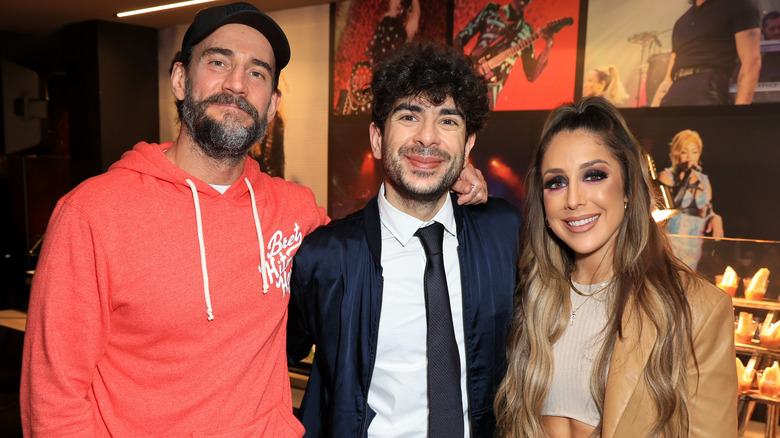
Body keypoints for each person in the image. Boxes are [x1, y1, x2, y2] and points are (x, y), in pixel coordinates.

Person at [19, 3, 488, 436]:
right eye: (218, 62)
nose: (238, 85)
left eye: (257, 73)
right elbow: (54, 403)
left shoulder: (296, 210)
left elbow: (373, 239)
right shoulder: (91, 214)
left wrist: (442, 172)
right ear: (181, 80)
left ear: (273, 102)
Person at [287, 41, 522, 437]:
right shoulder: (324, 257)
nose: (428, 137)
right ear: (378, 139)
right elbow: (269, 364)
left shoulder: (504, 231)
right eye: (410, 116)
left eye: (448, 121)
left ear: (467, 147)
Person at [494, 97, 736, 437]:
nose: (573, 199)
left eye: (593, 175)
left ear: (627, 188)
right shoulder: (528, 297)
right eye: (556, 182)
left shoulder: (697, 308)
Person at [651, 0, 761, 106]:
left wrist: (738, 115)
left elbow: (751, 61)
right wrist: (654, 111)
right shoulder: (681, 22)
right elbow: (669, 77)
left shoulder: (739, 4)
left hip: (707, 86)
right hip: (676, 88)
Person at [453, 0, 555, 109]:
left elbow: (531, 74)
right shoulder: (491, 10)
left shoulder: (526, 30)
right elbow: (459, 39)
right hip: (469, 78)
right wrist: (465, 68)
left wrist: (548, 46)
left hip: (491, 93)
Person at [658, 129, 723, 271]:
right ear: (677, 153)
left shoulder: (704, 180)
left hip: (695, 247)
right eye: (684, 152)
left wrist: (715, 217)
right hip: (671, 245)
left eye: (694, 152)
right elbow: (658, 215)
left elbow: (708, 210)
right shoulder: (667, 177)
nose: (689, 157)